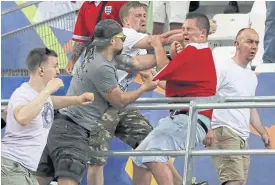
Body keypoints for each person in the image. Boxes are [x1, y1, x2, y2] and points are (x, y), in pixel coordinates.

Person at [35, 19, 158, 185]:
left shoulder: (100, 51)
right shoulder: (101, 66)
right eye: (122, 37)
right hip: (74, 129)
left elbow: (137, 62)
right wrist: (144, 88)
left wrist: (167, 54)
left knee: (40, 179)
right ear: (113, 41)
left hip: (64, 125)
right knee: (69, 178)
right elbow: (119, 101)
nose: (124, 41)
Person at [85, 2, 185, 185]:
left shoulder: (137, 47)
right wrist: (187, 34)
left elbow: (154, 77)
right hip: (98, 105)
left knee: (152, 145)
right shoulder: (126, 34)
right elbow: (158, 40)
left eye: (145, 16)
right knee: (97, 160)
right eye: (138, 15)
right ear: (126, 21)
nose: (143, 19)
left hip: (119, 103)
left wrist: (181, 93)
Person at [131, 12, 217, 185]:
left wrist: (157, 45)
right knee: (139, 157)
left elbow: (164, 67)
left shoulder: (194, 50)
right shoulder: (197, 53)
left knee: (154, 154)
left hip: (189, 120)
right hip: (185, 118)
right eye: (183, 28)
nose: (184, 32)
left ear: (202, 34)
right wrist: (157, 74)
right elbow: (170, 84)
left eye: (189, 29)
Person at [1, 48, 94, 185]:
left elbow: (51, 101)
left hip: (25, 170)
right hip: (12, 168)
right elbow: (22, 117)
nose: (58, 71)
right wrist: (48, 89)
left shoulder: (38, 96)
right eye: (55, 66)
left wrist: (77, 99)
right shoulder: (22, 94)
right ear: (41, 70)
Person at [204, 28, 272, 185]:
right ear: (237, 44)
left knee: (238, 182)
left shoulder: (250, 76)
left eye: (256, 42)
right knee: (233, 182)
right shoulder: (223, 67)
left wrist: (262, 132)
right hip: (223, 130)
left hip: (242, 136)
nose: (254, 46)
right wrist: (207, 127)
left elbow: (250, 107)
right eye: (249, 41)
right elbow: (206, 96)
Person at [66, 1, 128, 73]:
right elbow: (81, 39)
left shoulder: (119, 2)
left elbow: (132, 28)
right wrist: (72, 60)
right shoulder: (86, 6)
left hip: (118, 55)